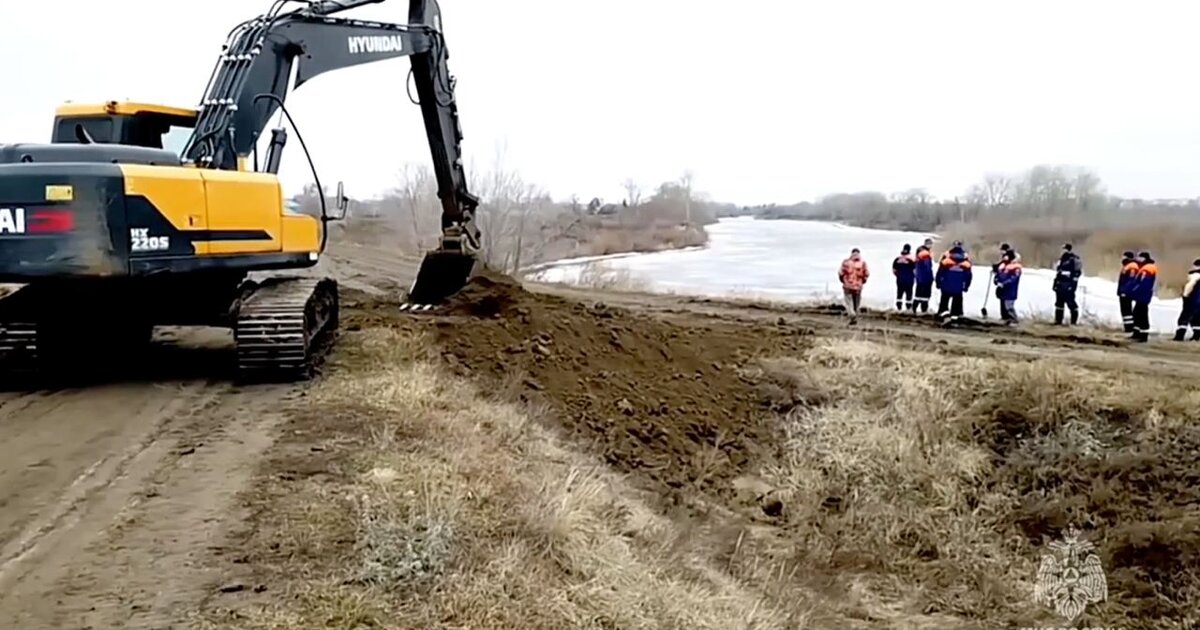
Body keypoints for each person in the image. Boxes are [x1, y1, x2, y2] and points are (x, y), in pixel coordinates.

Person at [935, 244, 973, 324]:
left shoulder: (946, 261)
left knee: (944, 302)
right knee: (957, 303)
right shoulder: (966, 263)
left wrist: (938, 283)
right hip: (958, 288)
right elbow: (969, 276)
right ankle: (955, 319)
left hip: (946, 285)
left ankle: (944, 316)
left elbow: (939, 273)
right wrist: (966, 286)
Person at [1129, 251, 1157, 342]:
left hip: (1143, 295)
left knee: (1142, 314)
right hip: (1142, 295)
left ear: (1144, 258)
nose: (1138, 259)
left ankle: (1143, 335)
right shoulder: (1146, 267)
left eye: (1140, 257)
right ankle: (1137, 332)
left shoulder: (1147, 269)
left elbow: (1143, 283)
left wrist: (1134, 290)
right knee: (1137, 313)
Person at [1052, 243, 1083, 326]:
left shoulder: (1074, 259)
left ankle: (1073, 322)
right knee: (1059, 304)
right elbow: (1058, 273)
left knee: (1071, 303)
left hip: (1068, 285)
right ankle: (1058, 321)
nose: (1063, 250)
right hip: (1060, 284)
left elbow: (1077, 274)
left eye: (1065, 249)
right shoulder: (1061, 259)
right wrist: (1055, 285)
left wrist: (1072, 286)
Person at [838, 247, 870, 325]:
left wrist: (843, 281)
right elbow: (867, 274)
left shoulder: (846, 262)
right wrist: (863, 281)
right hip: (858, 286)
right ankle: (855, 315)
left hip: (848, 285)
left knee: (849, 302)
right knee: (857, 303)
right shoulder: (863, 263)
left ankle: (852, 315)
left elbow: (840, 273)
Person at [993, 249, 1022, 324]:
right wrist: (996, 280)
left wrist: (1004, 283)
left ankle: (1014, 320)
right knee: (1003, 305)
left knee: (1009, 306)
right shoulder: (1003, 266)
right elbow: (998, 275)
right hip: (1002, 289)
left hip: (1010, 289)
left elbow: (1013, 278)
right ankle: (1005, 319)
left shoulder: (1015, 267)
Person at [1174, 259, 1200, 341]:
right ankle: (1197, 336)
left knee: (1184, 318)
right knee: (1197, 318)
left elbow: (1189, 286)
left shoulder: (1195, 275)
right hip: (1198, 301)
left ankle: (1179, 336)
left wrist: (1185, 295)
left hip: (1192, 300)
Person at [1117, 251, 1138, 333]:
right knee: (1125, 311)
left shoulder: (1132, 266)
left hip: (1126, 293)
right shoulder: (1127, 266)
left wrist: (1125, 291)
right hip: (1124, 292)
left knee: (1127, 310)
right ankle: (1128, 327)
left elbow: (1130, 281)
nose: (1123, 258)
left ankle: (1129, 328)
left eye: (1124, 256)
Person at [913, 238, 935, 313]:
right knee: (925, 294)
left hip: (919, 276)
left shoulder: (919, 251)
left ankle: (914, 308)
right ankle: (924, 309)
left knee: (918, 293)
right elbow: (927, 266)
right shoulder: (925, 254)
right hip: (925, 277)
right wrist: (930, 277)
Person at [892, 244, 916, 311]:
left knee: (899, 294)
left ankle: (899, 308)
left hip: (900, 280)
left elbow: (894, 270)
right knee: (909, 294)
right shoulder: (911, 259)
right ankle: (908, 308)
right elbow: (915, 271)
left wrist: (898, 276)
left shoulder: (897, 259)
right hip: (909, 280)